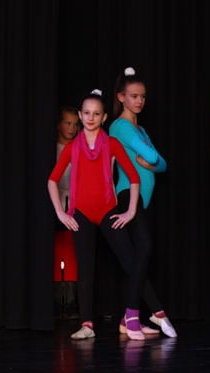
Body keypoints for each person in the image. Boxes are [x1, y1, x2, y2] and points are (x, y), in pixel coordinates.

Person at [48, 89, 146, 340]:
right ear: (81, 115)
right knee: (85, 269)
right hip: (81, 212)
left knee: (130, 262)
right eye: (87, 113)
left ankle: (139, 316)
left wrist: (130, 211)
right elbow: (52, 180)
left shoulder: (111, 144)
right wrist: (60, 213)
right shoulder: (72, 147)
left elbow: (134, 177)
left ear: (104, 118)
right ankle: (87, 324)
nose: (91, 118)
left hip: (107, 210)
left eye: (96, 114)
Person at [110, 66, 177, 338]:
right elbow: (151, 156)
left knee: (136, 257)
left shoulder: (141, 128)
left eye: (143, 96)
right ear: (121, 97)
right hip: (129, 194)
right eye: (134, 96)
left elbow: (162, 164)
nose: (139, 101)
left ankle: (126, 319)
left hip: (144, 199)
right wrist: (151, 161)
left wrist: (151, 164)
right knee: (145, 247)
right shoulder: (120, 126)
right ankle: (133, 314)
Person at [53, 106, 80, 319]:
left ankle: (70, 303)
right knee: (55, 251)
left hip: (74, 204)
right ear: (58, 125)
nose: (71, 128)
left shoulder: (79, 148)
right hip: (55, 204)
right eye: (67, 123)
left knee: (71, 252)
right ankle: (55, 302)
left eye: (75, 124)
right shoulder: (51, 149)